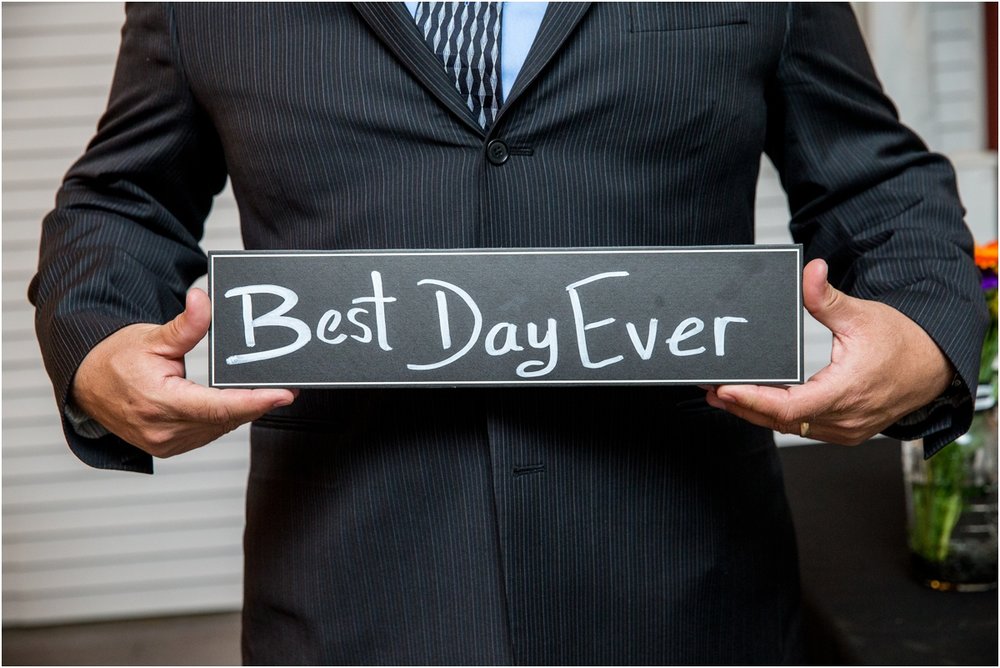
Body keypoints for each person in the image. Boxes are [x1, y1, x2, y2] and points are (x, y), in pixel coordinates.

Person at [29, 3, 988, 664]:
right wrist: (100, 340)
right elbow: (122, 201)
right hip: (354, 595)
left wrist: (922, 334)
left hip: (686, 590)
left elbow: (878, 185)